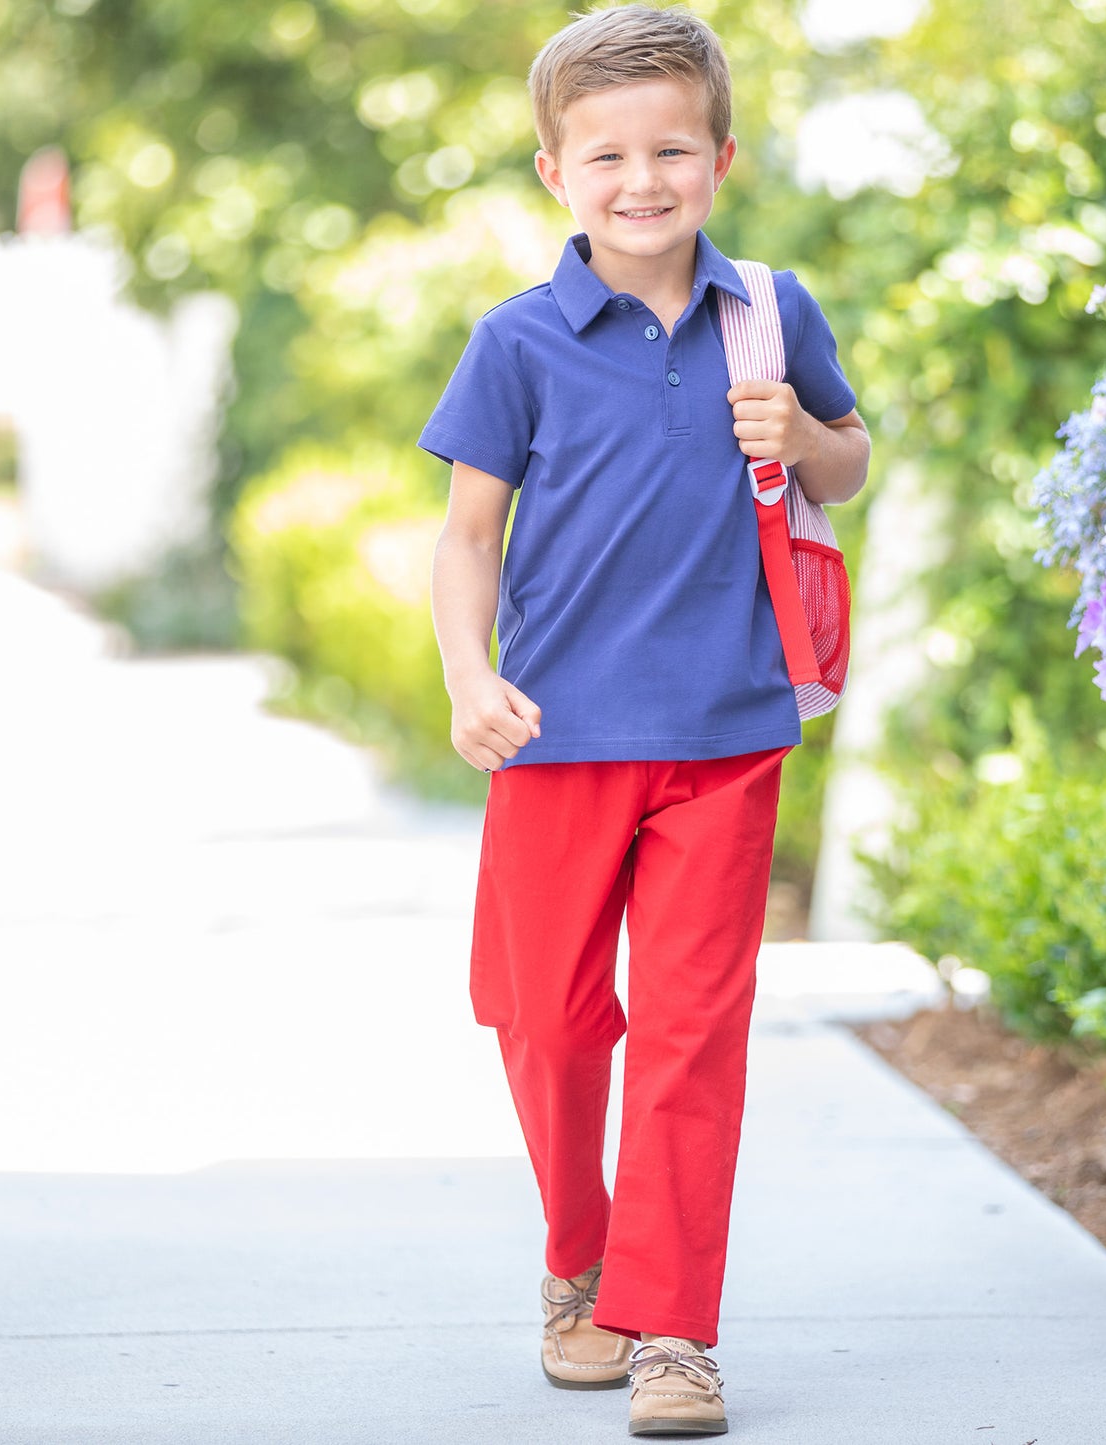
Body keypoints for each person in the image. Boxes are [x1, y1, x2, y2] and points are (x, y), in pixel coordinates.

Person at [420, 4, 869, 1435]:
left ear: (719, 157)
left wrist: (802, 438)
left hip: (726, 732)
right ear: (555, 172)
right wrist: (464, 675)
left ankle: (672, 1328)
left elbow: (849, 458)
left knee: (690, 1030)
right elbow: (464, 538)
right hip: (554, 732)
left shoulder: (770, 313)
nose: (641, 179)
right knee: (546, 1017)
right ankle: (578, 1260)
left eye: (670, 147)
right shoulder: (516, 342)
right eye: (605, 154)